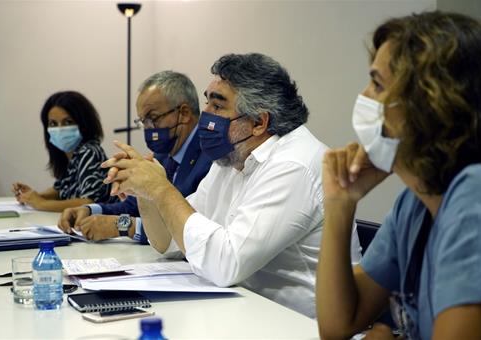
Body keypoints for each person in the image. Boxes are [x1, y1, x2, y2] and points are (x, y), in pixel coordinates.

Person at [101, 53, 361, 318]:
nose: (205, 115)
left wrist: (161, 189)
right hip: (247, 312)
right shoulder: (231, 157)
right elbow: (169, 243)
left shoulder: (294, 166)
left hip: (301, 325)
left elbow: (225, 265)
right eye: (207, 102)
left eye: (218, 106)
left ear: (259, 122)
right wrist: (145, 192)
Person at [316, 11, 481, 339]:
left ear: (431, 102)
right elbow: (337, 325)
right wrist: (340, 204)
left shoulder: (480, 194)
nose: (364, 97)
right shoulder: (414, 205)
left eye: (377, 84)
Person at [57, 71, 212, 242]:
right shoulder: (164, 154)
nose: (148, 128)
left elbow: (193, 228)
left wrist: (124, 227)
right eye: (143, 121)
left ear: (184, 113)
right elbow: (133, 206)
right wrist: (89, 210)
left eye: (153, 118)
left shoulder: (210, 158)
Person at [12, 91, 112, 212]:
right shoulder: (70, 154)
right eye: (53, 123)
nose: (59, 129)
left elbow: (88, 202)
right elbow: (60, 190)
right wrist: (32, 196)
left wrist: (40, 203)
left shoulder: (89, 152)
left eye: (68, 122)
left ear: (84, 123)